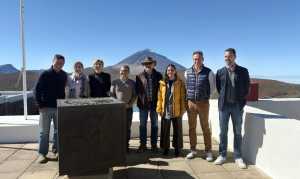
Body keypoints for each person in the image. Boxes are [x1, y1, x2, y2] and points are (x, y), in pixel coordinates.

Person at [214, 48, 250, 169]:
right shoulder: (220, 72)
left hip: (237, 106)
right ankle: (222, 155)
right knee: (223, 132)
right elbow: (220, 89)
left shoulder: (243, 71)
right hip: (224, 106)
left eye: (229, 56)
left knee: (238, 132)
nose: (227, 59)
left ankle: (238, 157)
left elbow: (246, 88)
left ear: (234, 57)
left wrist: (241, 103)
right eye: (225, 57)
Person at [34, 54, 68, 163]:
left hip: (59, 107)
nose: (59, 65)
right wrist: (40, 105)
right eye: (58, 63)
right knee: (44, 132)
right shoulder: (45, 74)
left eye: (62, 63)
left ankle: (57, 151)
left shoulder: (64, 75)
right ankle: (42, 154)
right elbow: (36, 90)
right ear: (53, 62)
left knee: (59, 131)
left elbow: (65, 90)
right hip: (46, 108)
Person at [185, 51, 216, 161]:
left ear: (203, 59)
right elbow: (187, 86)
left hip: (203, 104)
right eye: (194, 59)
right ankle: (193, 150)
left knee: (205, 127)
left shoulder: (209, 72)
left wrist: (205, 97)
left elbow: (212, 88)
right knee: (191, 128)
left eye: (198, 59)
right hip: (191, 103)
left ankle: (208, 151)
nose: (196, 61)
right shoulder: (187, 72)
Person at [156, 64, 186, 157]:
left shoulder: (180, 83)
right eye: (168, 70)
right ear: (166, 71)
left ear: (175, 71)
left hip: (176, 109)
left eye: (172, 70)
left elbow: (183, 97)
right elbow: (160, 97)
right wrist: (159, 108)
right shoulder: (162, 83)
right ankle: (165, 148)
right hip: (166, 110)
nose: (170, 72)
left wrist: (183, 109)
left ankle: (177, 149)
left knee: (177, 131)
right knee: (165, 131)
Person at [136, 56, 162, 152]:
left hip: (155, 105)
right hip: (143, 106)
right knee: (142, 126)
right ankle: (143, 145)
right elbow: (137, 91)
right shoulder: (139, 76)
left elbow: (161, 90)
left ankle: (154, 145)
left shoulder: (159, 75)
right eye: (146, 63)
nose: (148, 65)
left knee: (154, 125)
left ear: (153, 64)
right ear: (144, 65)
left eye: (149, 63)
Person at [110, 65, 137, 152]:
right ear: (120, 71)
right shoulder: (115, 82)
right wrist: (116, 104)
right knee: (117, 128)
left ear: (128, 72)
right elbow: (111, 95)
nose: (123, 72)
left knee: (127, 128)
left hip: (128, 109)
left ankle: (126, 146)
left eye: (126, 70)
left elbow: (134, 95)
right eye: (122, 70)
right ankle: (118, 146)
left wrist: (129, 104)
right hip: (117, 110)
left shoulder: (132, 83)